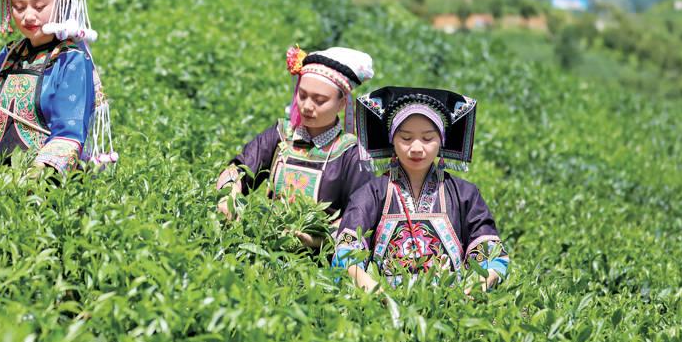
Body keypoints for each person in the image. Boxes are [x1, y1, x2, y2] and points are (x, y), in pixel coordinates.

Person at [334, 87, 510, 294]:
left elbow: (492, 255)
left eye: (427, 139)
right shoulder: (371, 193)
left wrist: (474, 288)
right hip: (384, 307)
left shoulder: (465, 194)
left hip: (453, 305)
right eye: (406, 138)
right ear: (392, 140)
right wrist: (375, 292)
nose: (417, 148)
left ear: (442, 140)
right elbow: (346, 254)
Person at [216, 46, 376, 248]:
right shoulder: (281, 134)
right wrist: (228, 194)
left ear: (342, 104)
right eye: (302, 95)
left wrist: (317, 240)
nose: (307, 106)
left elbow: (361, 220)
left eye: (320, 100)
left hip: (315, 264)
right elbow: (238, 168)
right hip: (263, 242)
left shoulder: (352, 155)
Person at [0, 0, 116, 172]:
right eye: (19, 7)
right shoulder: (8, 56)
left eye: (39, 6)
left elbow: (69, 134)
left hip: (47, 183)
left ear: (62, 2)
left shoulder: (72, 59)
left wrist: (35, 176)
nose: (28, 16)